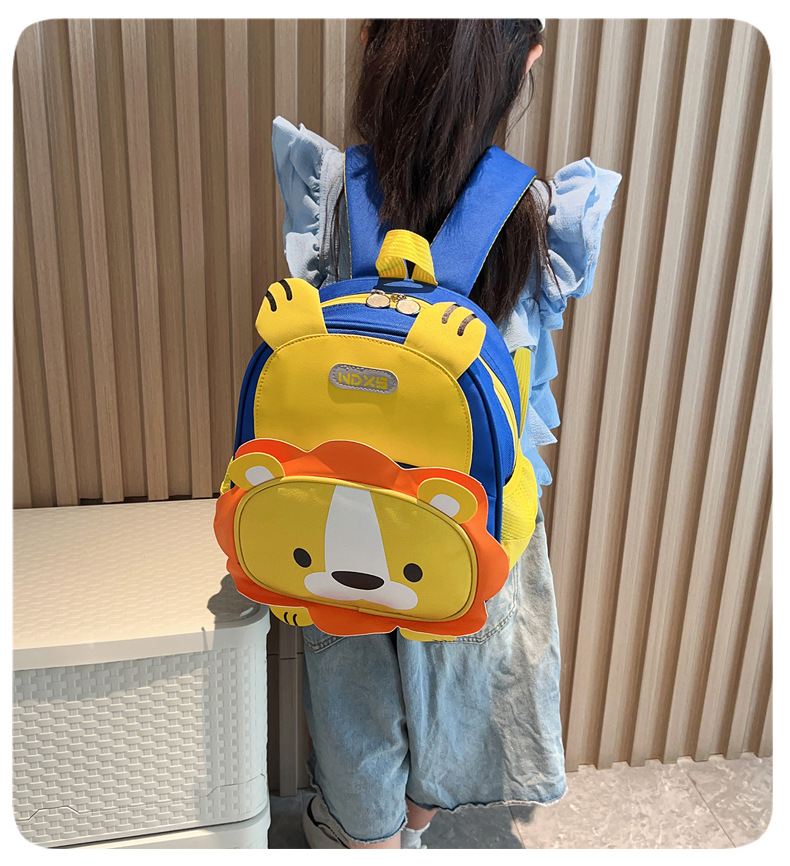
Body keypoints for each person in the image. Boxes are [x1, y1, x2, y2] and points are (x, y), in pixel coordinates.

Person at [270, 19, 621, 849]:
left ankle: (365, 834)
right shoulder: (535, 212)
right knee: (460, 665)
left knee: (353, 675)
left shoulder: (332, 188)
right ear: (527, 59)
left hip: (341, 496)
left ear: (372, 41)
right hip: (475, 507)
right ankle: (420, 821)